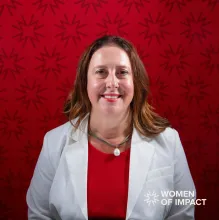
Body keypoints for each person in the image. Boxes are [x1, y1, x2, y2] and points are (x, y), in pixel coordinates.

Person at [26, 35, 196, 220]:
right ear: (85, 82)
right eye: (101, 72)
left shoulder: (170, 142)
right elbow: (39, 214)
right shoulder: (54, 142)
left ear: (135, 82)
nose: (112, 83)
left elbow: (182, 214)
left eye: (122, 72)